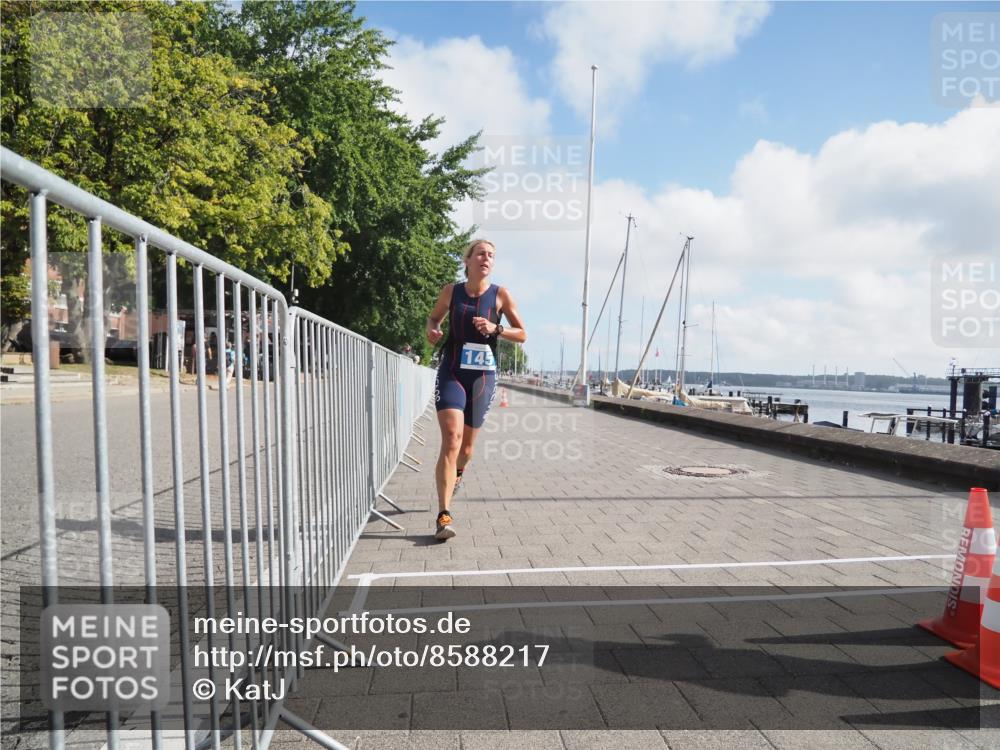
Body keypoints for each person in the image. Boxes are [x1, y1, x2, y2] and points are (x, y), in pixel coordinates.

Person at [426, 239, 527, 540]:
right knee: (452, 439)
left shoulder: (501, 295)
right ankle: (444, 514)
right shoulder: (452, 291)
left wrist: (497, 329)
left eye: (492, 256)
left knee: (466, 450)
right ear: (468, 260)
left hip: (482, 377)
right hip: (452, 371)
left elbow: (522, 333)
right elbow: (434, 317)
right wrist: (432, 329)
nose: (486, 258)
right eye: (481, 253)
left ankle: (458, 474)